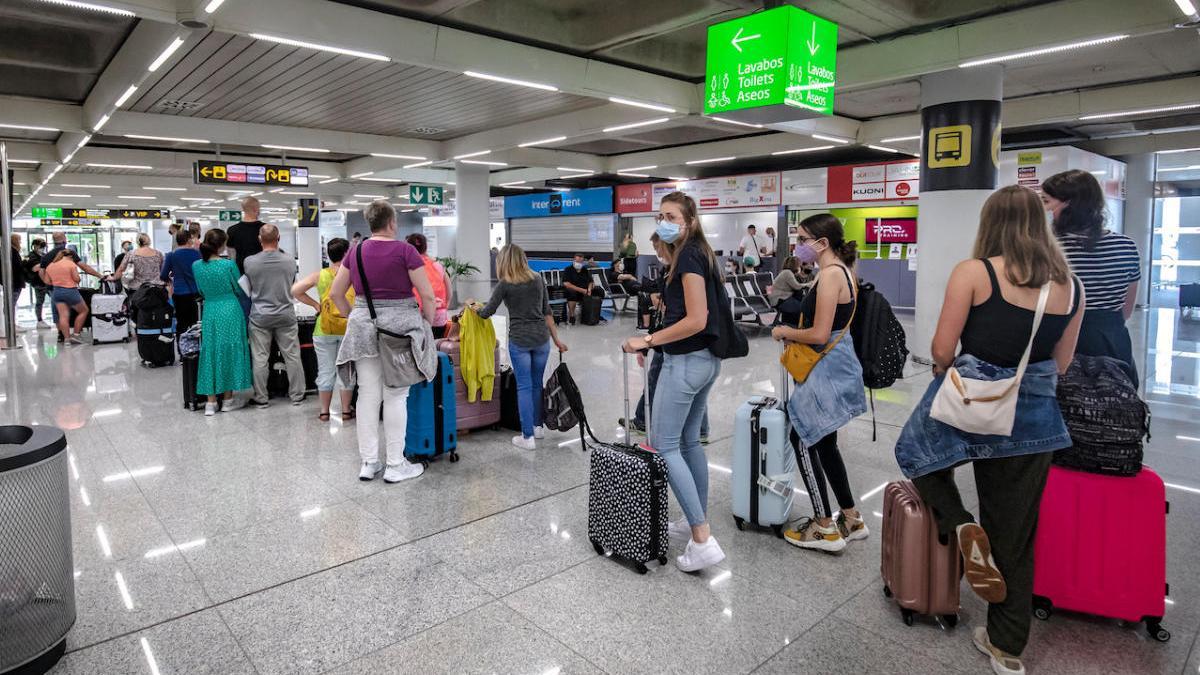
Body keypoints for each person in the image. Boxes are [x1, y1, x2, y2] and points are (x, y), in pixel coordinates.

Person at [894, 186, 1083, 675]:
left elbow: (940, 350)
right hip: (1034, 419)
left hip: (969, 408)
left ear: (989, 224)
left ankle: (958, 522)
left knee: (917, 455)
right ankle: (1006, 648)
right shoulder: (1071, 286)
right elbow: (1062, 363)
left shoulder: (974, 272)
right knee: (1015, 535)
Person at [621, 191, 725, 572]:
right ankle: (693, 519)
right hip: (705, 361)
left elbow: (697, 318)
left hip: (687, 362)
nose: (662, 221)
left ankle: (702, 539)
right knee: (687, 442)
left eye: (670, 216)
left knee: (664, 446)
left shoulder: (691, 256)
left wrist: (648, 339)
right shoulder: (697, 254)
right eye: (660, 215)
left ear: (690, 222)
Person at [770, 215, 868, 552]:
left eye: (802, 239)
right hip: (836, 366)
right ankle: (852, 517)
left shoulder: (829, 276)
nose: (798, 246)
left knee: (802, 436)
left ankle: (823, 525)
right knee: (826, 442)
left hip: (824, 369)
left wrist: (784, 331)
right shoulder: (844, 271)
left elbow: (818, 333)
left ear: (821, 243)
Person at [331, 200, 437, 484]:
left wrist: (356, 315)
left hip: (364, 330)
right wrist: (426, 322)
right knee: (396, 395)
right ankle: (395, 464)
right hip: (399, 332)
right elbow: (427, 295)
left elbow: (335, 293)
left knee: (367, 395)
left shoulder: (356, 251)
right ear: (391, 223)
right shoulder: (406, 251)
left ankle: (369, 462)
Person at [1042, 169, 1141, 384]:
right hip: (1113, 341)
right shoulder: (1126, 246)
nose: (1045, 209)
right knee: (1111, 403)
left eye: (1047, 201)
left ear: (1068, 204)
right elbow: (1126, 309)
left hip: (1059, 341)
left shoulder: (1050, 249)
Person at [472, 244, 568, 450]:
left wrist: (473, 308)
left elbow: (486, 312)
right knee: (536, 384)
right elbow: (547, 311)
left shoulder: (505, 284)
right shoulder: (538, 279)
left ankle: (527, 437)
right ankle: (538, 427)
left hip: (520, 341)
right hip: (542, 340)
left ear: (504, 261)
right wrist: (557, 340)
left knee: (523, 387)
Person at [620, 234, 709, 443]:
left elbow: (680, 315)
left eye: (657, 246)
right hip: (678, 342)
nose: (657, 252)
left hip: (674, 341)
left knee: (655, 381)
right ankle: (701, 430)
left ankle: (643, 421)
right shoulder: (671, 270)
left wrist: (649, 342)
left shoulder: (681, 271)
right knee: (693, 393)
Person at [292, 237, 355, 422]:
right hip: (348, 328)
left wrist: (315, 305)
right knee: (347, 371)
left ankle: (324, 412)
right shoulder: (352, 275)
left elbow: (295, 290)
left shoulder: (320, 275)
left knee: (325, 371)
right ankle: (345, 411)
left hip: (323, 330)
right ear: (346, 254)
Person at [243, 223, 305, 407]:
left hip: (260, 315)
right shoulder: (289, 261)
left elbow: (249, 286)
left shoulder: (249, 261)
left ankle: (261, 398)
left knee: (260, 357)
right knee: (292, 355)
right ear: (278, 238)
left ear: (259, 239)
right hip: (285, 313)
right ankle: (297, 395)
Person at [192, 228, 253, 416]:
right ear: (222, 245)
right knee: (230, 350)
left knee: (210, 350)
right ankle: (228, 399)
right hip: (230, 309)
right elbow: (239, 288)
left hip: (210, 310)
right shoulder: (228, 265)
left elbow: (200, 290)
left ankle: (210, 402)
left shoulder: (196, 266)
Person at [35, 233, 103, 339]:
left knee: (59, 314)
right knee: (83, 310)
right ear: (64, 240)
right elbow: (84, 267)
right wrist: (99, 275)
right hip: (70, 289)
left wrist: (49, 282)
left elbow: (41, 272)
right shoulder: (69, 254)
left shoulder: (46, 256)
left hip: (54, 290)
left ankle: (62, 335)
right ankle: (75, 334)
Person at [405, 233, 452, 338]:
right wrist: (444, 307)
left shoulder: (410, 267)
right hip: (439, 315)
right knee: (437, 346)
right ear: (425, 247)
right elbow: (449, 291)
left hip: (419, 315)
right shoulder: (437, 265)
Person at [161, 230, 203, 342]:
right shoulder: (198, 254)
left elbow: (163, 275)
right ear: (189, 239)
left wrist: (171, 280)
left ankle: (183, 351)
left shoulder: (171, 255)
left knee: (181, 322)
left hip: (179, 293)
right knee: (195, 322)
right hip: (196, 293)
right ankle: (195, 350)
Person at [44, 248, 88, 344]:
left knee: (63, 316)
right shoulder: (70, 264)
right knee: (84, 311)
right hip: (70, 291)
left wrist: (57, 281)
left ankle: (67, 340)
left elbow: (47, 281)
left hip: (56, 292)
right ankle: (76, 335)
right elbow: (76, 279)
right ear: (70, 256)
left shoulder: (51, 265)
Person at [226, 196, 265, 273]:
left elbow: (232, 256)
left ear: (243, 209)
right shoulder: (266, 229)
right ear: (256, 209)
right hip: (261, 272)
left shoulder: (232, 230)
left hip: (240, 273)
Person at [769, 256, 810, 326]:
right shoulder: (787, 273)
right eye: (799, 265)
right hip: (780, 300)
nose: (800, 267)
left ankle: (791, 322)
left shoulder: (786, 272)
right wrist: (808, 284)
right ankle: (796, 324)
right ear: (795, 265)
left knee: (799, 299)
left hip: (782, 298)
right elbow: (797, 286)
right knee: (802, 307)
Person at [23, 239, 50, 328]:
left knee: (55, 299)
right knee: (40, 302)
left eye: (43, 246)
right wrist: (46, 261)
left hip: (48, 282)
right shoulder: (31, 256)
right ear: (34, 246)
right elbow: (35, 268)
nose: (42, 248)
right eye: (40, 246)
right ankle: (39, 320)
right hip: (38, 283)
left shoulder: (44, 255)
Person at [561, 253, 594, 324]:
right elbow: (566, 284)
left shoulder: (584, 270)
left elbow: (590, 281)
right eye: (578, 261)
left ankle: (593, 314)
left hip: (585, 291)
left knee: (599, 291)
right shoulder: (568, 269)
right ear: (574, 260)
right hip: (573, 291)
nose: (579, 263)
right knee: (571, 292)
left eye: (581, 262)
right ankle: (572, 315)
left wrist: (589, 289)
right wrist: (581, 290)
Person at [6, 234, 25, 331]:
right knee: (11, 304)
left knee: (12, 304)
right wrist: (25, 263)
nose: (20, 242)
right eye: (19, 240)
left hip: (14, 282)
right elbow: (17, 267)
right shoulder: (12, 252)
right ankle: (11, 325)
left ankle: (12, 324)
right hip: (15, 282)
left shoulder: (10, 251)